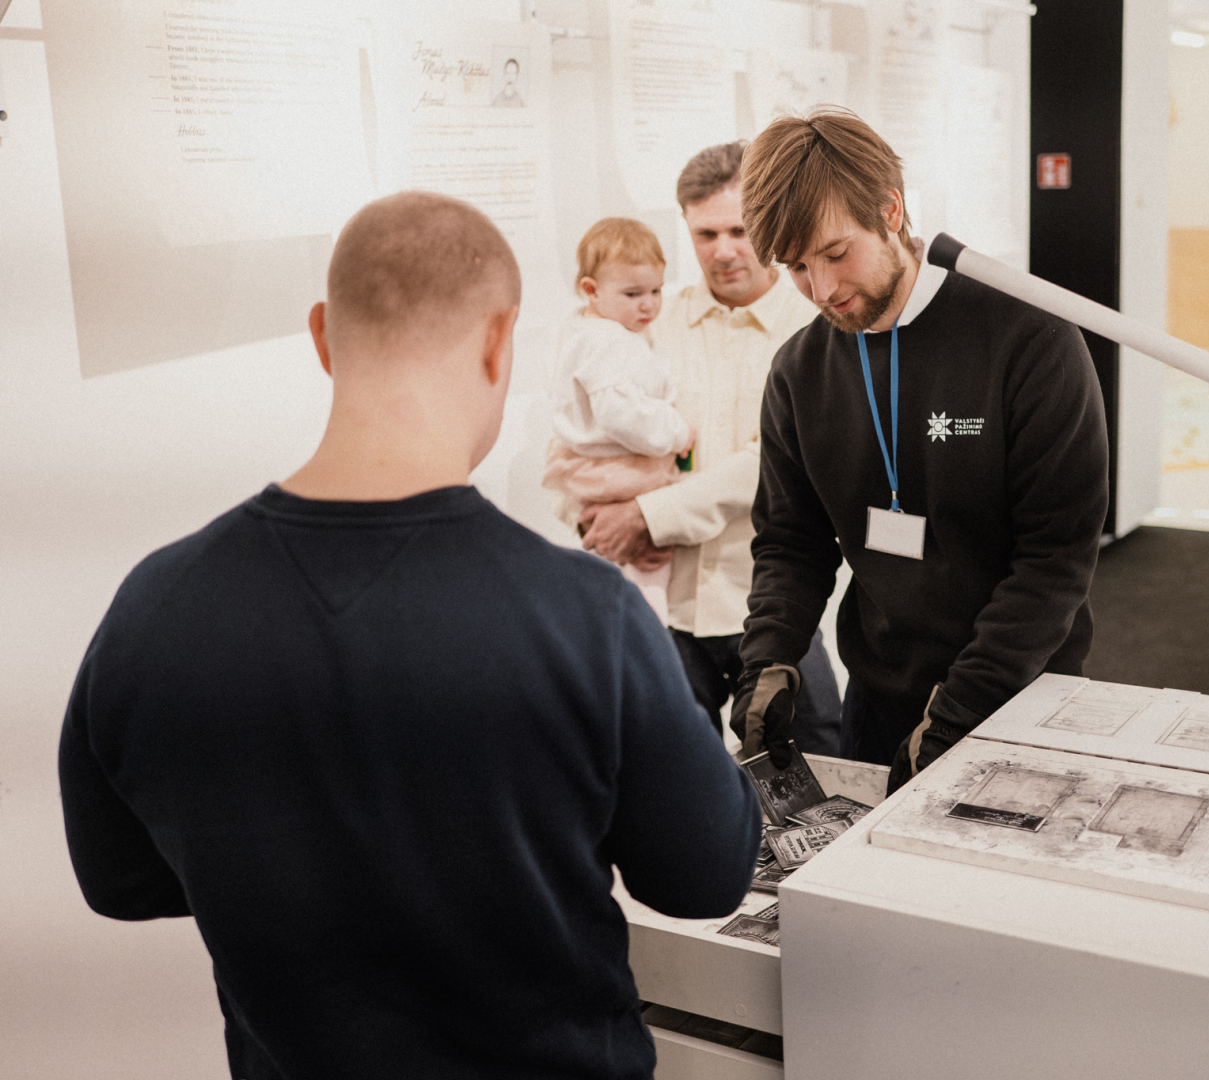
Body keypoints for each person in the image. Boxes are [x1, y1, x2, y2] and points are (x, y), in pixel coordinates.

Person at [57, 192, 759, 1080]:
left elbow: (120, 883)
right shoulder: (586, 615)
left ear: (322, 337)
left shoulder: (155, 605)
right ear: (500, 342)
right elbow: (703, 875)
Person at [732, 108, 1110, 792]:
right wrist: (768, 660)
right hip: (878, 702)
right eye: (796, 267)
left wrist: (957, 715)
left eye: (835, 253)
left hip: (1021, 699)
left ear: (890, 210)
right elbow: (791, 542)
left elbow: (1054, 562)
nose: (822, 290)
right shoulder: (798, 371)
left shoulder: (1030, 339)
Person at [578, 141, 843, 751]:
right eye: (705, 234)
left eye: (739, 231)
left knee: (819, 763)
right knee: (669, 778)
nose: (722, 250)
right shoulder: (650, 321)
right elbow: (591, 428)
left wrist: (649, 515)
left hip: (769, 608)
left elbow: (770, 462)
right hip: (666, 609)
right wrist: (592, 513)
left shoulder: (812, 326)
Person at [543, 217, 693, 623]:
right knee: (651, 561)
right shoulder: (608, 341)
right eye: (633, 293)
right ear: (591, 290)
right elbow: (620, 414)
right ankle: (651, 630)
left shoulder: (582, 328)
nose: (649, 304)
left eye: (656, 290)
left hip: (590, 467)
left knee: (624, 569)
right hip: (622, 468)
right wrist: (678, 431)